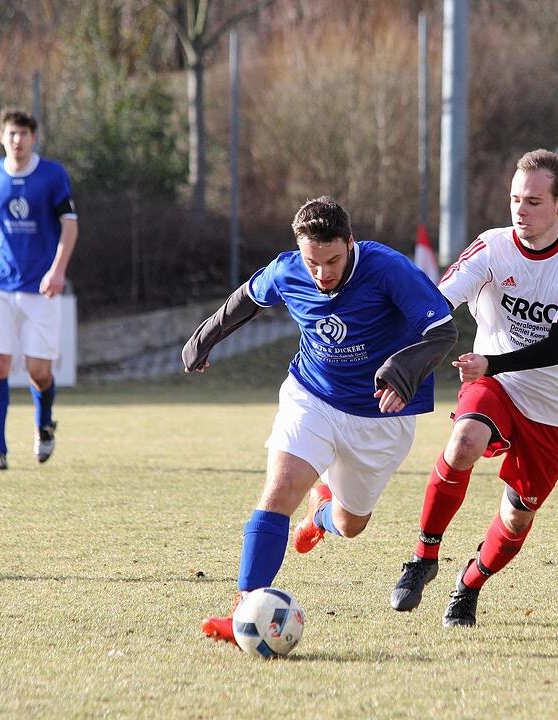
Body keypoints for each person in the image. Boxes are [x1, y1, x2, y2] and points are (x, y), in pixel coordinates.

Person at [183, 196, 457, 647]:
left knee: (351, 524)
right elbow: (247, 299)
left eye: (332, 260)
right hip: (312, 396)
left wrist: (404, 372)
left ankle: (321, 515)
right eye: (314, 262)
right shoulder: (289, 269)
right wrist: (204, 336)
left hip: (380, 414)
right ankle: (245, 609)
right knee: (278, 490)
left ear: (350, 243)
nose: (322, 273)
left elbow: (441, 330)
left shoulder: (388, 269)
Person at [389, 149, 558, 627]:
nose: (520, 211)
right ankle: (423, 558)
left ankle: (468, 585)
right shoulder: (491, 246)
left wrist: (490, 359)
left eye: (533, 201)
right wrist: (407, 342)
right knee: (464, 441)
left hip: (557, 406)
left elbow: (557, 347)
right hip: (498, 385)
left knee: (516, 517)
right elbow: (439, 299)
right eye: (515, 199)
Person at [0, 108, 78, 471]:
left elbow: (70, 226)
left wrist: (58, 271)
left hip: (42, 288)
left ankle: (44, 422)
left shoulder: (52, 175)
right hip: (0, 283)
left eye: (24, 134)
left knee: (39, 372)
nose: (17, 140)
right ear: (1, 136)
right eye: (11, 133)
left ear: (33, 137)